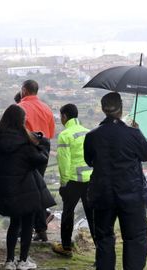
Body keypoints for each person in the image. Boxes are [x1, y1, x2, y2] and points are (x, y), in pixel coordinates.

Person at [83, 92, 147, 270]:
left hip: (102, 194)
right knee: (135, 238)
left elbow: (89, 161)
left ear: (103, 109)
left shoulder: (92, 136)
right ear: (121, 109)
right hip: (131, 193)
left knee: (104, 238)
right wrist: (137, 131)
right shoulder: (132, 133)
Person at [0, 105, 50, 270]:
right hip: (26, 189)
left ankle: (9, 260)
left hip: (6, 190)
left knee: (14, 224)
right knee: (27, 224)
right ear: (20, 121)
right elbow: (40, 159)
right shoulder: (24, 141)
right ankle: (23, 261)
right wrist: (42, 142)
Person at [51, 104, 94, 257]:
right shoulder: (88, 132)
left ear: (64, 116)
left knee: (68, 213)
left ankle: (66, 247)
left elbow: (64, 161)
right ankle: (101, 249)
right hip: (89, 179)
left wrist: (63, 183)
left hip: (73, 181)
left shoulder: (65, 135)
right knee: (92, 215)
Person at [18, 79, 55, 241]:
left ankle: (35, 228)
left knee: (26, 191)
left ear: (24, 90)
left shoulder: (20, 108)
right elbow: (51, 133)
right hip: (43, 151)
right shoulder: (46, 109)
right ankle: (40, 228)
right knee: (36, 188)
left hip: (26, 151)